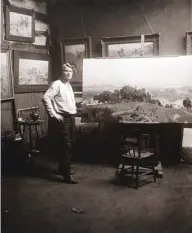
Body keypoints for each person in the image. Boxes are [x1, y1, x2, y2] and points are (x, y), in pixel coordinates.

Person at [43, 63, 78, 184]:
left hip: (71, 118)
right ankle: (66, 175)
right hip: (63, 119)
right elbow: (46, 97)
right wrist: (53, 114)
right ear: (61, 72)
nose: (68, 73)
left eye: (70, 71)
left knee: (70, 143)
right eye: (66, 71)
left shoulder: (68, 85)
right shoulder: (57, 84)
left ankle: (62, 169)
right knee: (66, 146)